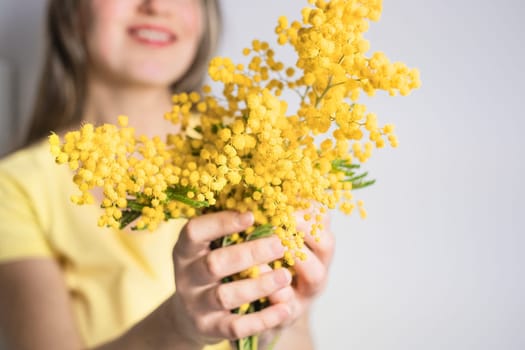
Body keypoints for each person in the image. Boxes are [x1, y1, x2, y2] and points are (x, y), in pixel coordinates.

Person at [0, 1, 335, 349]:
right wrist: (177, 326)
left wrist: (280, 319)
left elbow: (287, 338)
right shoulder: (14, 188)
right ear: (73, 10)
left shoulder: (254, 149)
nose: (157, 6)